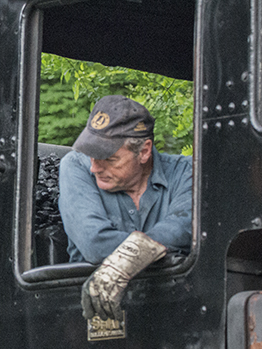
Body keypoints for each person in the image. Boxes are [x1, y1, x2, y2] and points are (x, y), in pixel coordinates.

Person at [57, 95, 192, 321]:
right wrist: (156, 249)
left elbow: (183, 229)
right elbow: (94, 242)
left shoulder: (186, 172)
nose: (95, 168)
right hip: (95, 316)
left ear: (144, 151)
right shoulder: (75, 166)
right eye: (92, 155)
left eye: (109, 159)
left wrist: (125, 260)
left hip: (174, 312)